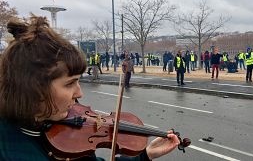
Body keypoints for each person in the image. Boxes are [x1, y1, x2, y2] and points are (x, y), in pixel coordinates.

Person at [0, 15, 180, 160]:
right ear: (32, 88)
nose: (79, 93)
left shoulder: (68, 136)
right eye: (70, 83)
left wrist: (146, 155)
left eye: (79, 81)